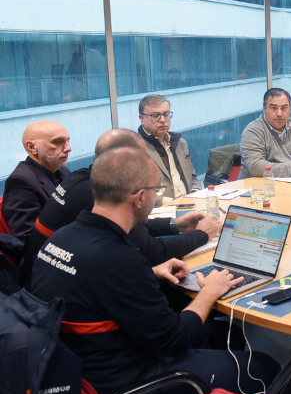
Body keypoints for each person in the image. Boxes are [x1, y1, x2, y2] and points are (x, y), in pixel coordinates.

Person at [30, 147, 279, 394]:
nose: (156, 195)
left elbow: (90, 289)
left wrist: (147, 274)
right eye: (156, 189)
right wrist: (209, 293)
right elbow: (176, 340)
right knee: (263, 365)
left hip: (74, 376)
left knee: (225, 336)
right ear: (138, 198)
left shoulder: (64, 237)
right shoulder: (119, 259)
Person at [18, 129, 222, 289]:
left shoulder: (82, 178)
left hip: (49, 277)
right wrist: (202, 235)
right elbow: (151, 251)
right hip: (60, 289)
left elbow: (130, 228)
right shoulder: (103, 193)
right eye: (141, 158)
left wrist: (172, 225)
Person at [2, 121, 72, 241]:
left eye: (67, 141)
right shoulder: (20, 182)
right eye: (58, 142)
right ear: (32, 147)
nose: (68, 148)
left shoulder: (62, 170)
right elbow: (29, 239)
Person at [137, 94, 202, 205]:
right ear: (142, 118)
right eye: (155, 115)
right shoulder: (136, 149)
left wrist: (195, 194)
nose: (163, 120)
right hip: (160, 212)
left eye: (166, 114)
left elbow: (192, 177)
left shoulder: (180, 143)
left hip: (190, 205)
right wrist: (174, 203)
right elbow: (139, 192)